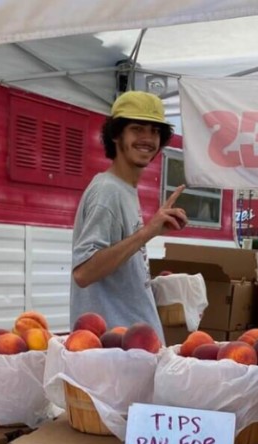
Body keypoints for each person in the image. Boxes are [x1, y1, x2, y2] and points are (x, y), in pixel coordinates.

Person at [70, 91, 188, 336]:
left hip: (132, 349)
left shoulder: (125, 189)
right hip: (115, 354)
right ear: (115, 134)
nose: (147, 138)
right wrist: (147, 232)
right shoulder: (107, 191)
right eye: (137, 129)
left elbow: (115, 269)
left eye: (155, 131)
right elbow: (83, 273)